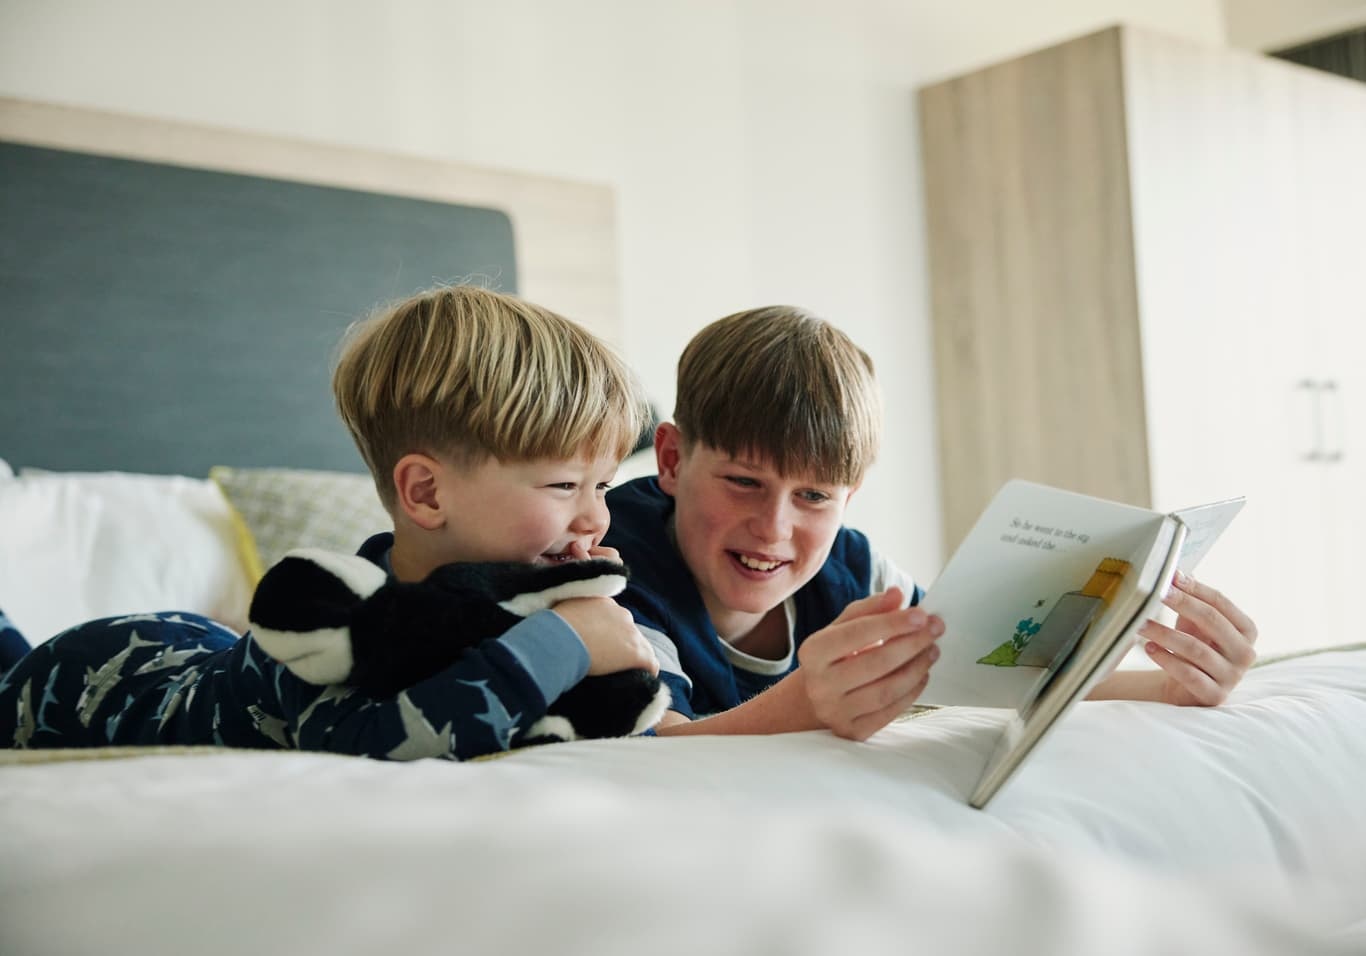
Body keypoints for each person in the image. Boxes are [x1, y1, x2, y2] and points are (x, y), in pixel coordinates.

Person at [0, 285, 659, 759]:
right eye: (566, 485)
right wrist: (563, 645)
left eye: (601, 484)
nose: (596, 516)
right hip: (97, 681)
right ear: (426, 493)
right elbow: (374, 745)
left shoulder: (525, 603)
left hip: (198, 642)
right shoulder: (335, 619)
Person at [603, 306, 1259, 740]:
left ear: (850, 495)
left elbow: (979, 677)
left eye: (814, 496)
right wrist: (803, 708)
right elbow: (657, 744)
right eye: (744, 482)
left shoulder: (853, 570)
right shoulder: (612, 569)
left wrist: (1169, 688)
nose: (773, 527)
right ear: (671, 458)